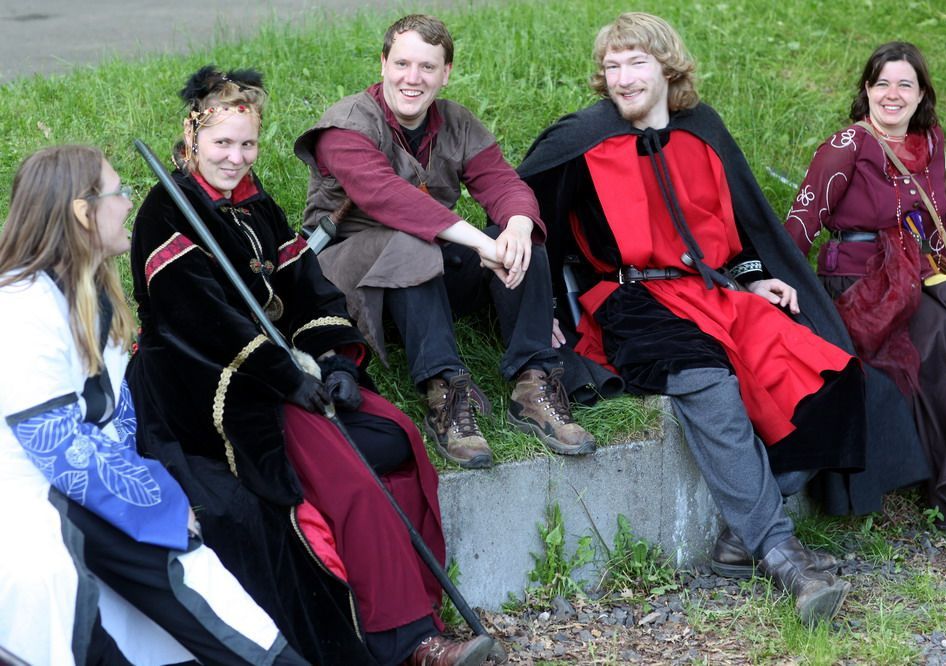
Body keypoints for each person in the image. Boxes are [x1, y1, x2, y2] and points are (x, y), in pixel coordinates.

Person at [127, 66, 494, 666]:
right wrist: (289, 379)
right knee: (350, 474)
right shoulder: (166, 212)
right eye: (222, 143)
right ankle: (406, 641)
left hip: (284, 370)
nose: (236, 157)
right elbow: (202, 324)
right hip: (208, 385)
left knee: (397, 437)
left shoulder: (256, 205)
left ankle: (418, 602)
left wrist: (334, 360)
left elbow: (309, 290)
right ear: (192, 136)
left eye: (248, 143)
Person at [517, 12, 872, 626]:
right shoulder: (581, 142)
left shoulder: (703, 131)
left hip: (713, 293)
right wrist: (540, 311)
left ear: (667, 67)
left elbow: (744, 223)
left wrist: (755, 275)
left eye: (636, 63)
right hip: (632, 304)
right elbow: (532, 226)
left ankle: (739, 538)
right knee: (710, 382)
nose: (623, 78)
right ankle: (783, 557)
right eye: (612, 66)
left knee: (832, 374)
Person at [0, 145, 306, 665]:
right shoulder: (20, 306)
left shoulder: (93, 296)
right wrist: (159, 502)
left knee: (205, 597)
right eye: (117, 192)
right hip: (33, 512)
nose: (128, 202)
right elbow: (59, 448)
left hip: (85, 499)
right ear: (83, 213)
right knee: (167, 597)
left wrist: (156, 495)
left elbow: (117, 425)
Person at [293, 14, 597, 469]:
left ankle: (534, 382)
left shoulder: (456, 122)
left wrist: (516, 226)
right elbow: (388, 198)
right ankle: (445, 392)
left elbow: (502, 182)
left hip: (425, 274)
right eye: (402, 64)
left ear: (446, 73)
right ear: (383, 64)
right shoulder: (346, 125)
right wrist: (480, 244)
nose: (412, 78)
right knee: (415, 244)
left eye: (427, 67)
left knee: (521, 242)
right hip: (350, 280)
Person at [784, 42, 946, 531]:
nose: (892, 94)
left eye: (905, 84)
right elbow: (800, 225)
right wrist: (773, 287)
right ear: (867, 90)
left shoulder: (931, 142)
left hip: (914, 275)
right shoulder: (847, 145)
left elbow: (937, 224)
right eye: (882, 83)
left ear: (922, 94)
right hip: (858, 285)